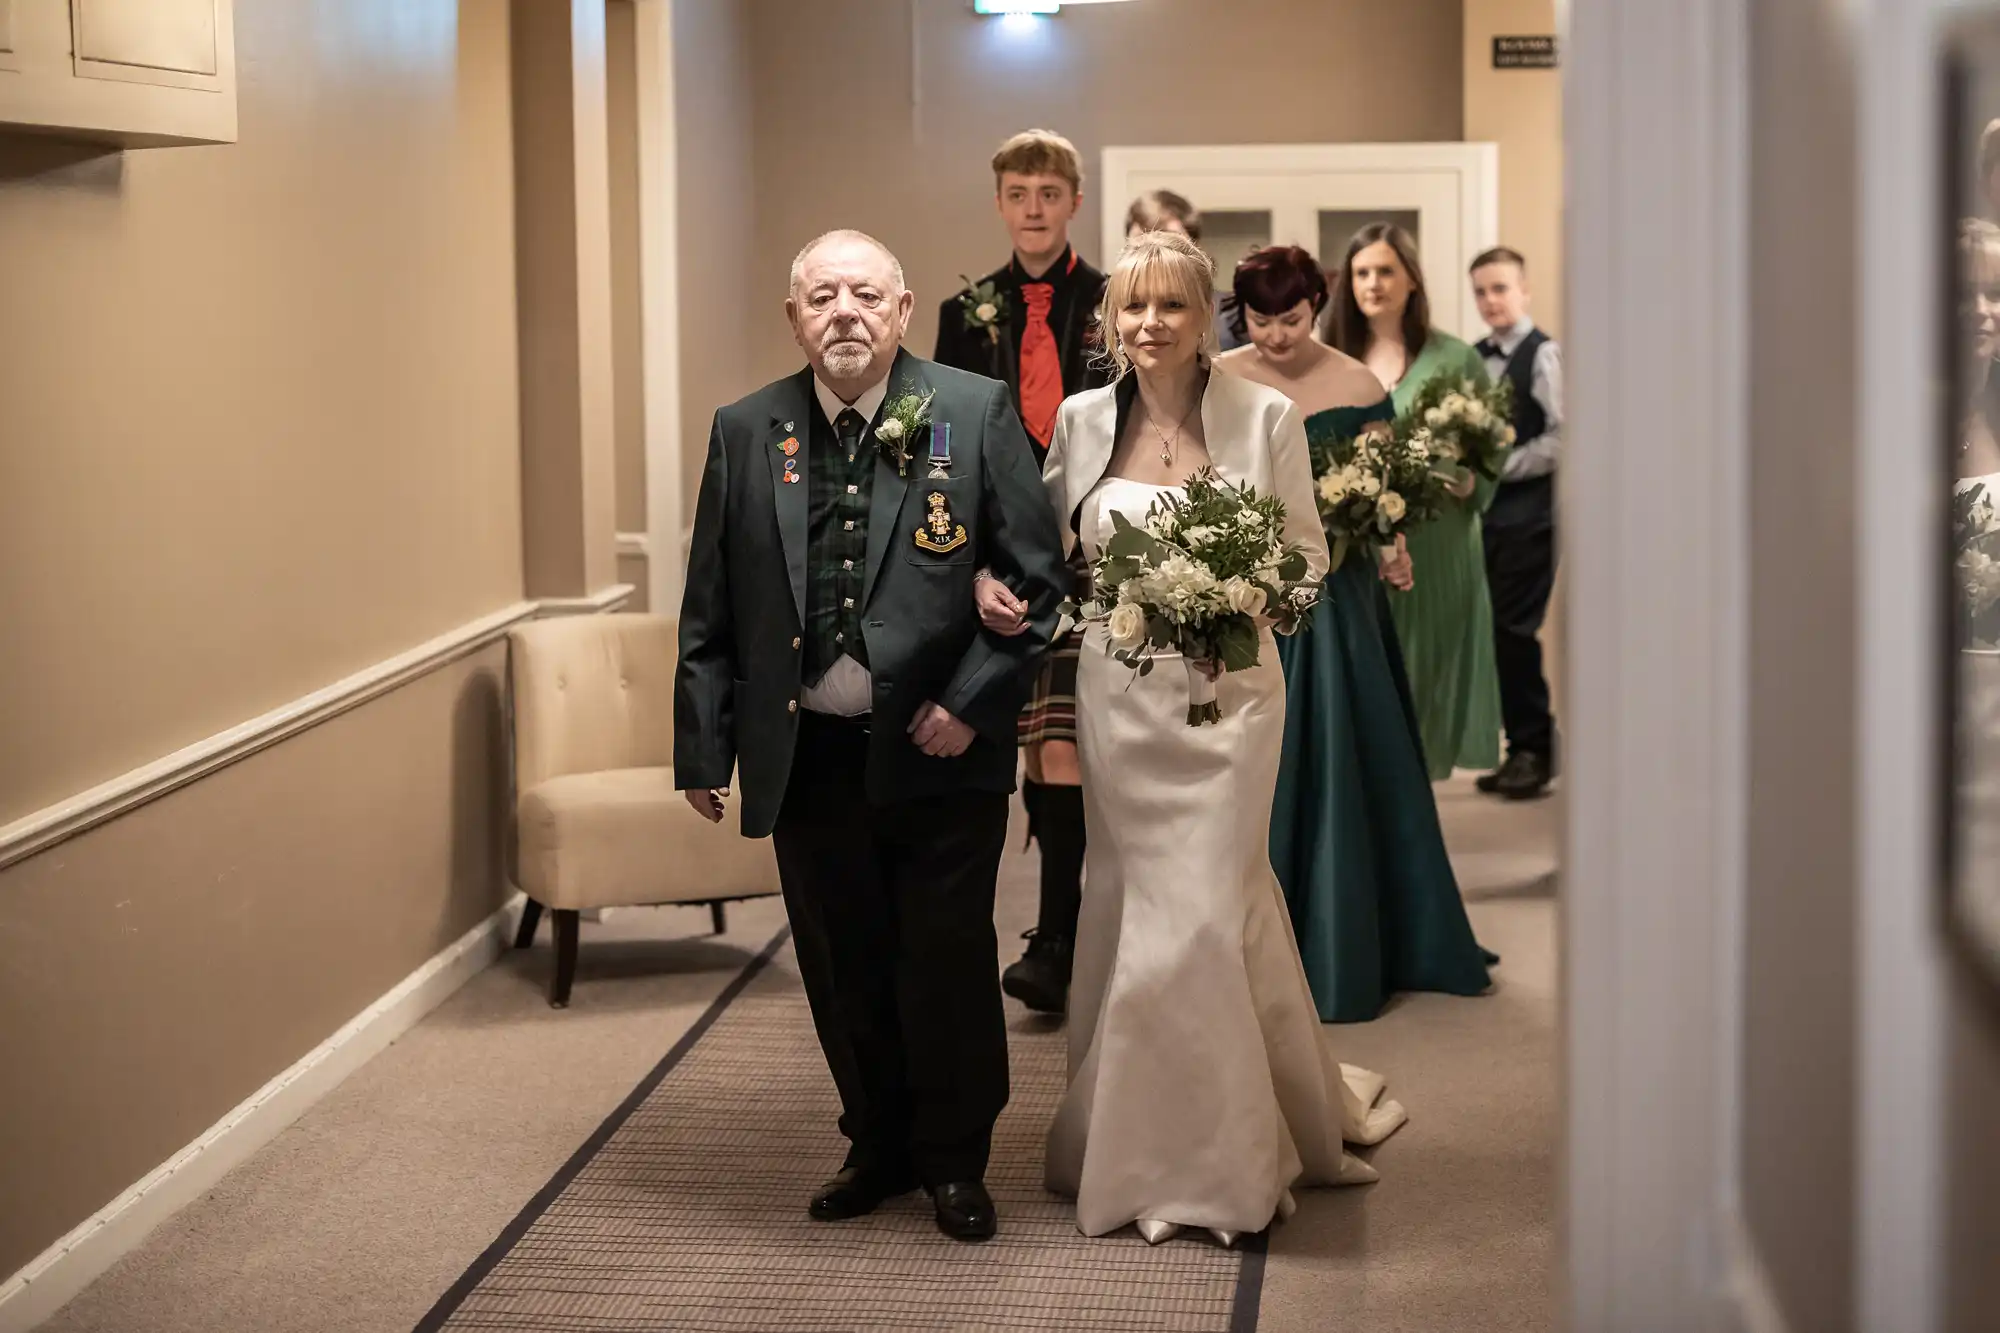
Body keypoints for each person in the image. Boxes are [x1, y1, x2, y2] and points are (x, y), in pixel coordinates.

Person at [675, 230, 1068, 1243]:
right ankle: (876, 1142)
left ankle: (953, 1159)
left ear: (900, 312)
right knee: (843, 962)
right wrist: (701, 746)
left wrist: (970, 701)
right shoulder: (745, 428)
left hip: (943, 751)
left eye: (863, 294)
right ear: (793, 317)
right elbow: (709, 605)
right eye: (820, 296)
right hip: (808, 756)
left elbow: (1040, 580)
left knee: (939, 960)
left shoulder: (972, 412)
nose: (841, 311)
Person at [1039, 230, 1407, 1245]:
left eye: (1169, 307)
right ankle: (1132, 1138)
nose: (1148, 326)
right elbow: (1052, 555)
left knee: (1205, 908)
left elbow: (1304, 558)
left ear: (1208, 318)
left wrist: (1232, 594)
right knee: (1137, 902)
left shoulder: (1266, 415)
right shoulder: (1079, 420)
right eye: (1132, 308)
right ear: (1111, 319)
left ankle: (1221, 1158)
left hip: (1233, 702)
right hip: (1123, 706)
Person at [1216, 246, 1495, 1023]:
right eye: (1261, 320)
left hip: (1340, 592)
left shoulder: (1359, 383)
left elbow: (1381, 497)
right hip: (1252, 584)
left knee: (1348, 741)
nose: (1275, 337)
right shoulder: (1220, 374)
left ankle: (1353, 932)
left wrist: (1392, 546)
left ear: (1318, 302)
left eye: (1293, 319)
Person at [935, 130, 1111, 1016]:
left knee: (1065, 739)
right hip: (1001, 553)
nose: (1034, 207)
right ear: (1000, 203)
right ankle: (1050, 930)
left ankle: (1061, 934)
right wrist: (964, 562)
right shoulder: (965, 311)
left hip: (1095, 547)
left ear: (1075, 199)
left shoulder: (1118, 299)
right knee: (1028, 743)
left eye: (1049, 191)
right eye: (1018, 193)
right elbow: (947, 446)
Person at [1330, 222, 1502, 781]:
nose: (1373, 283)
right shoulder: (1331, 357)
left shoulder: (1455, 358)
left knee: (1427, 672)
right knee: (1368, 678)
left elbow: (1493, 444)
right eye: (1362, 272)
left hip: (1440, 543)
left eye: (1385, 271)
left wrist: (1469, 476)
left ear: (1411, 281)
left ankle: (1415, 800)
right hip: (1357, 544)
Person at [1469, 247, 1564, 800]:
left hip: (1531, 518)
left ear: (1524, 290)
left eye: (1500, 288)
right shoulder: (1474, 356)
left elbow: (1563, 434)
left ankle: (1535, 750)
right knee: (1494, 635)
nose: (1490, 301)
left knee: (1515, 632)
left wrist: (1499, 467)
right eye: (1481, 291)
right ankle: (1520, 749)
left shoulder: (1544, 354)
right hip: (1486, 519)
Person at [1124, 189, 1246, 351]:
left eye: (1168, 239)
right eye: (1143, 242)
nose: (1155, 253)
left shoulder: (1230, 313)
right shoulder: (1109, 315)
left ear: (1195, 246)